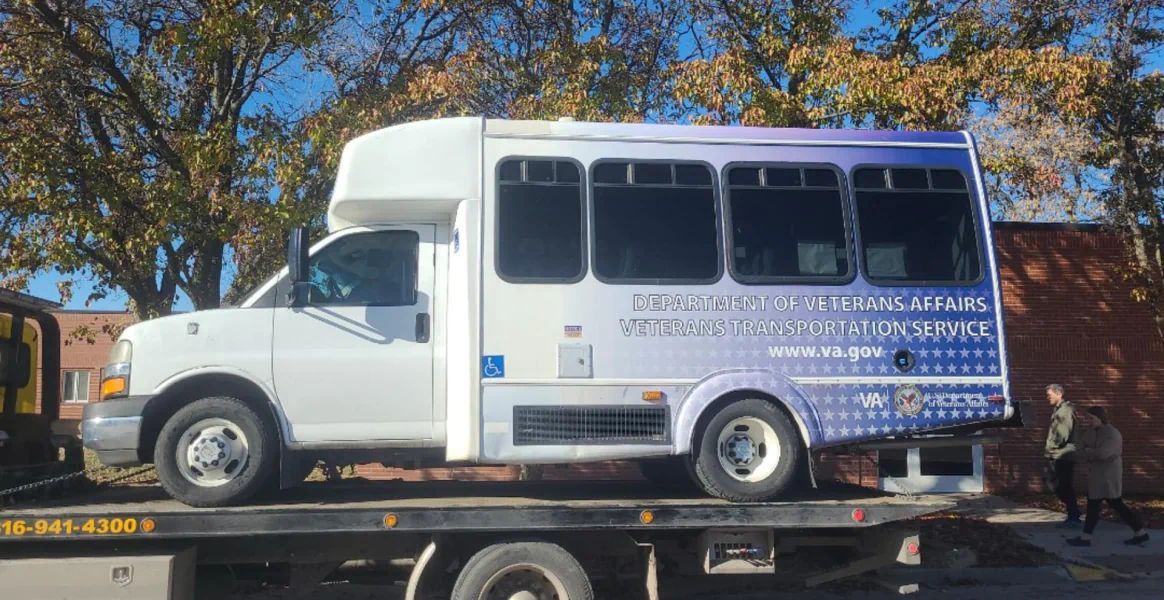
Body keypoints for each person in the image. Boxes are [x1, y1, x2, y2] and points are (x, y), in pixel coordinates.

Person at [1067, 406, 1150, 547]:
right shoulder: (1090, 432)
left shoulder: (1112, 433)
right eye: (1088, 418)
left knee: (1114, 504)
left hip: (1109, 475)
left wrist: (1088, 451)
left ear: (1100, 418)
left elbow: (1103, 453)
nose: (1089, 421)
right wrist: (1088, 452)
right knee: (1096, 505)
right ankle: (1086, 537)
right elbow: (1079, 450)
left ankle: (1140, 532)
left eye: (1091, 418)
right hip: (1096, 475)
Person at [1044, 384, 1081, 527]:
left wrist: (1052, 447)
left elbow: (1062, 435)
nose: (1048, 398)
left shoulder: (1064, 411)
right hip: (1059, 454)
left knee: (1063, 486)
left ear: (1059, 394)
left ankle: (1074, 516)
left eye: (1050, 395)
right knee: (1058, 485)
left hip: (1063, 455)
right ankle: (1074, 512)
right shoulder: (1059, 409)